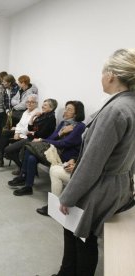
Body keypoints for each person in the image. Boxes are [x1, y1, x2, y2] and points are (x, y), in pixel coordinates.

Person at [53, 49, 135, 276]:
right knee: (76, 233)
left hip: (99, 185)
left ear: (112, 75)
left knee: (83, 236)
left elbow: (92, 163)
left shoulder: (116, 110)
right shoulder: (130, 105)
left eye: (102, 72)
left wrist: (69, 196)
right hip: (119, 183)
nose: (101, 77)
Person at [8, 100, 85, 196]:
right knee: (31, 155)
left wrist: (42, 140)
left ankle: (23, 177)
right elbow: (52, 138)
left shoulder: (80, 126)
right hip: (53, 150)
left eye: (69, 110)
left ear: (77, 113)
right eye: (66, 108)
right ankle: (28, 186)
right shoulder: (63, 123)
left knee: (29, 149)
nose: (65, 111)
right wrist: (61, 133)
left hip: (64, 155)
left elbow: (65, 143)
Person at [0, 97, 57, 169]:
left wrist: (20, 132)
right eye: (27, 102)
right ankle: (1, 157)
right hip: (28, 135)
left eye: (32, 102)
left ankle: (21, 168)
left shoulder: (42, 115)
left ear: (36, 104)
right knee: (5, 133)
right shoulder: (31, 113)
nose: (29, 103)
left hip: (30, 137)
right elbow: (22, 125)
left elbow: (31, 131)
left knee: (9, 149)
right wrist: (17, 132)